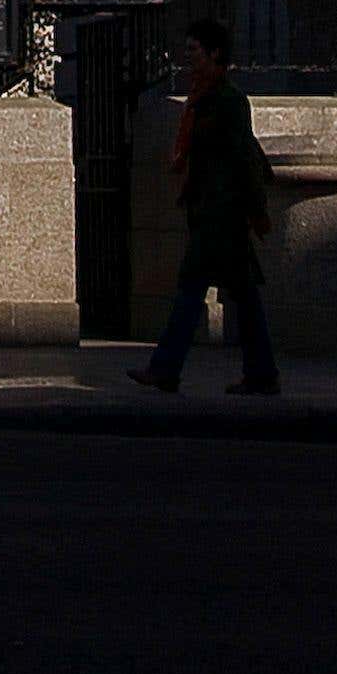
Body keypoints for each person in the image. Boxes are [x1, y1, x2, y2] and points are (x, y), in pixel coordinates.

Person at [134, 20, 278, 397]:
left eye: (194, 51)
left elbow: (241, 159)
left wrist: (253, 210)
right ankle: (262, 374)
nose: (188, 58)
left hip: (222, 217)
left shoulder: (227, 101)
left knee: (193, 291)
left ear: (215, 54)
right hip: (213, 213)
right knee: (241, 296)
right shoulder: (203, 99)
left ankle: (166, 368)